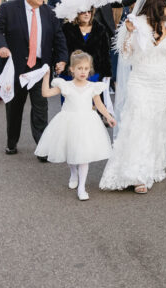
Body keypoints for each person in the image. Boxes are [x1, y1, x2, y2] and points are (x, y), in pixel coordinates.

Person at [100, 0, 166, 194]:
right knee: (138, 122)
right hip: (140, 81)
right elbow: (125, 53)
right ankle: (135, 174)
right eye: (165, 4)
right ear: (155, 5)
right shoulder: (134, 24)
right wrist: (130, 33)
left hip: (162, 84)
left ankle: (151, 165)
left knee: (155, 123)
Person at [0, 0, 69, 156]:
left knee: (41, 108)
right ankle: (11, 142)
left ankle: (42, 148)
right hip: (16, 67)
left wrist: (62, 59)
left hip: (40, 68)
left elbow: (59, 37)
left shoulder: (50, 12)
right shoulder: (8, 9)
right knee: (14, 107)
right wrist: (1, 46)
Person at [36, 53, 115, 201]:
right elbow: (46, 93)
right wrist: (46, 76)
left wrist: (109, 116)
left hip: (86, 122)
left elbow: (99, 105)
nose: (83, 71)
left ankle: (82, 187)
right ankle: (73, 173)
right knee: (71, 152)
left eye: (86, 68)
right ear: (72, 69)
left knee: (83, 155)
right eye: (79, 68)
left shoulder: (93, 87)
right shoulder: (65, 85)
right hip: (68, 121)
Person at [61, 10, 112, 83]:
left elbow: (105, 52)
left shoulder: (100, 28)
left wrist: (107, 72)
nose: (87, 14)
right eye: (83, 12)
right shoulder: (66, 28)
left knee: (92, 94)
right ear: (76, 12)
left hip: (93, 73)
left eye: (89, 11)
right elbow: (62, 50)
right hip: (71, 74)